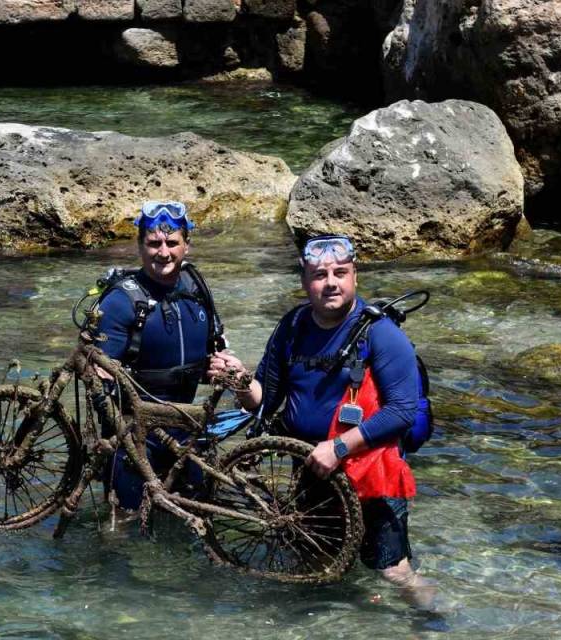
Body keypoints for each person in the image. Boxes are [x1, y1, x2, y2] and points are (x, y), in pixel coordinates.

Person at [208, 234, 436, 608]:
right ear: (304, 282)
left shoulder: (381, 335)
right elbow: (264, 400)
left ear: (355, 277)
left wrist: (339, 447)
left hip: (372, 473)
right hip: (311, 469)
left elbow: (401, 411)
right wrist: (240, 380)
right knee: (314, 562)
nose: (331, 282)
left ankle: (435, 624)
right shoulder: (292, 327)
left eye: (340, 272)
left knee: (394, 572)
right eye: (319, 274)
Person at [93, 201, 226, 511]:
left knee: (197, 518)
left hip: (186, 427)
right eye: (154, 243)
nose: (163, 252)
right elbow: (97, 378)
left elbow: (213, 351)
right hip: (136, 438)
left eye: (172, 243)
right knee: (128, 525)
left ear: (187, 246)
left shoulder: (196, 289)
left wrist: (221, 366)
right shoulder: (121, 300)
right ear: (140, 246)